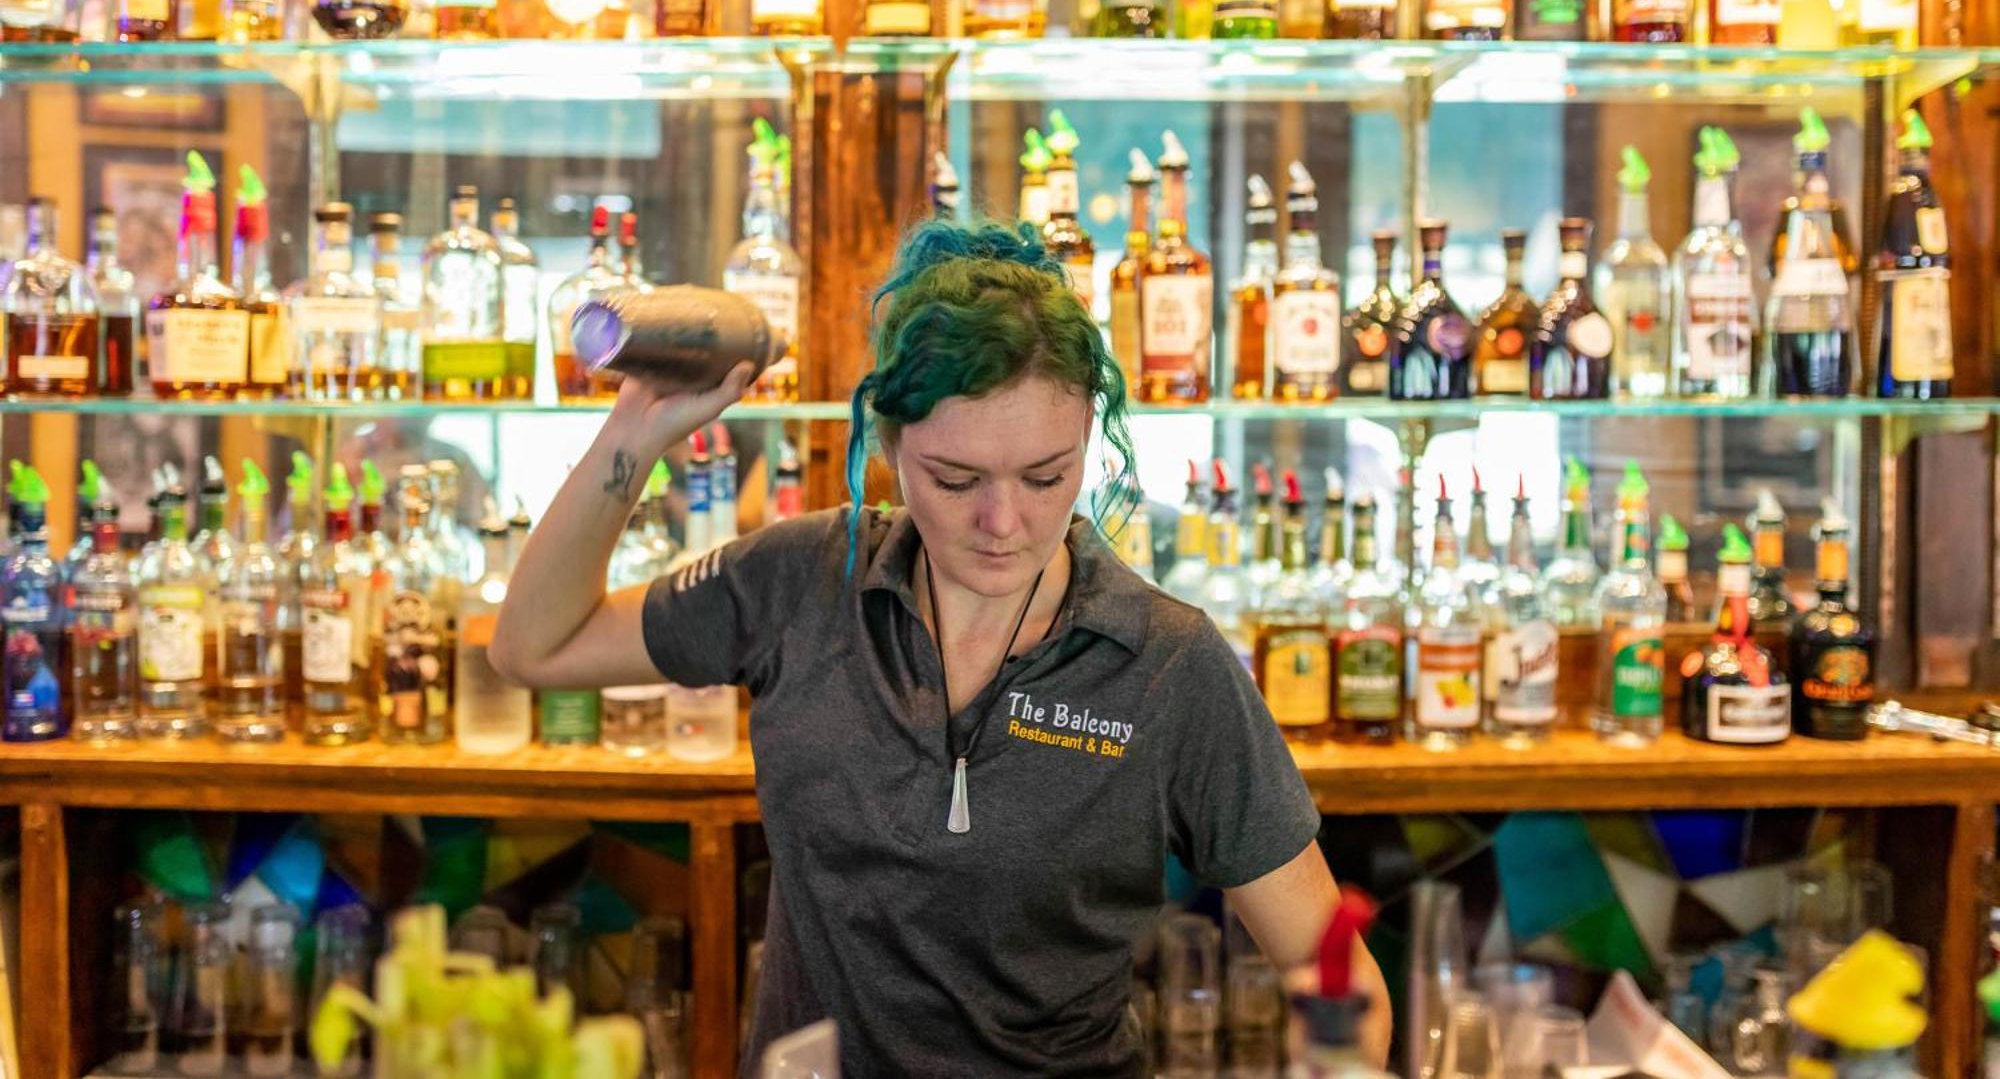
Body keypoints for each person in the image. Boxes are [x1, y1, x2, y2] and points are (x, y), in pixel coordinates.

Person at [494, 220, 1391, 1075]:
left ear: (1088, 439)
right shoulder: (806, 581)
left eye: (1047, 475)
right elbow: (534, 645)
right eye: (954, 478)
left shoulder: (1164, 660)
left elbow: (1337, 972)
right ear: (889, 442)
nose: (1004, 523)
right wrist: (635, 432)